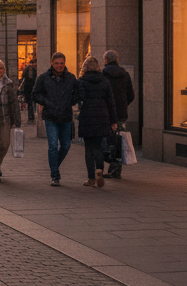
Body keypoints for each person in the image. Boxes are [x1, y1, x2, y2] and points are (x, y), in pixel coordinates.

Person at [31, 52, 80, 187]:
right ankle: (55, 175)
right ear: (52, 63)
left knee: (66, 145)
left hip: (65, 116)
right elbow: (35, 94)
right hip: (50, 116)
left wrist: (70, 101)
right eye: (57, 63)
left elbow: (78, 92)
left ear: (65, 63)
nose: (59, 66)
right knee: (53, 145)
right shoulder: (44, 78)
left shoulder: (70, 78)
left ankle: (54, 165)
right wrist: (46, 102)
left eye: (62, 63)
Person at [77, 55, 117, 188]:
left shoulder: (82, 81)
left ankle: (91, 179)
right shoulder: (105, 81)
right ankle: (99, 169)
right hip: (102, 116)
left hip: (88, 116)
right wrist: (113, 121)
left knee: (89, 148)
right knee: (98, 146)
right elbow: (111, 102)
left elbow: (80, 98)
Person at [102, 50, 135, 178]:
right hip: (121, 113)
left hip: (106, 112)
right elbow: (131, 94)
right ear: (117, 59)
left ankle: (107, 164)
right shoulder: (124, 74)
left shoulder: (103, 74)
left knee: (107, 139)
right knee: (119, 140)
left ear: (105, 60)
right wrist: (123, 104)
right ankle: (116, 169)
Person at [21, 57, 38, 123]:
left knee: (32, 103)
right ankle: (31, 117)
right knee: (30, 103)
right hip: (28, 89)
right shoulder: (28, 69)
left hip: (33, 88)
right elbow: (24, 77)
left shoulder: (34, 69)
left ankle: (32, 117)